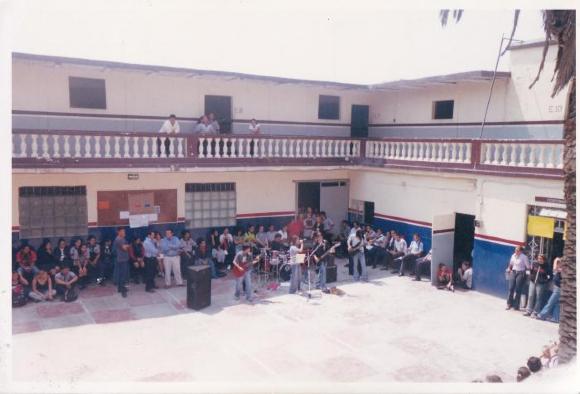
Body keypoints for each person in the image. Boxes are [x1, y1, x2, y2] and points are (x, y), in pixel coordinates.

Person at [505, 246, 531, 311]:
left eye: (517, 250)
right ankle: (509, 304)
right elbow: (511, 264)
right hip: (513, 272)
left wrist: (527, 275)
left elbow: (528, 267)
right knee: (511, 288)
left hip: (521, 273)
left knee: (518, 290)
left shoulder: (524, 257)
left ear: (521, 251)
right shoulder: (513, 256)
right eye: (515, 250)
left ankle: (516, 305)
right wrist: (509, 269)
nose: (516, 251)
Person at [537, 257, 562, 322]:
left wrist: (557, 262)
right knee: (557, 302)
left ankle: (542, 315)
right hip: (557, 285)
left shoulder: (564, 267)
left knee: (551, 301)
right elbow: (555, 269)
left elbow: (555, 269)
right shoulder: (560, 264)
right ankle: (556, 318)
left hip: (559, 287)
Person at [113, 227, 131, 297]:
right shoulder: (118, 239)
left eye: (124, 231)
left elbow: (125, 247)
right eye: (122, 231)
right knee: (122, 275)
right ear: (119, 232)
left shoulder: (122, 239)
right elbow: (124, 248)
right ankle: (123, 290)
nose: (124, 233)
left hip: (124, 258)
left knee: (123, 275)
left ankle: (120, 288)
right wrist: (128, 246)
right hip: (121, 259)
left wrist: (127, 246)